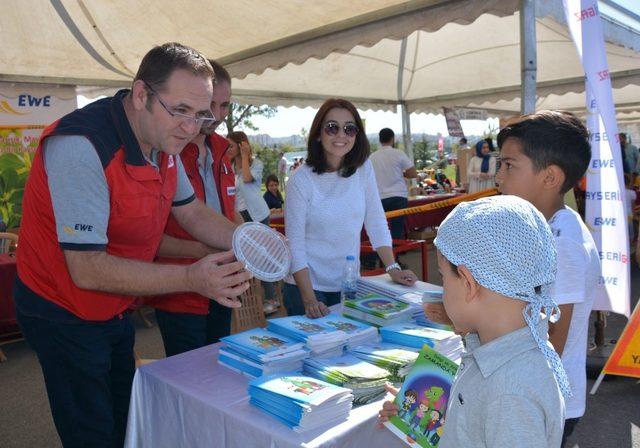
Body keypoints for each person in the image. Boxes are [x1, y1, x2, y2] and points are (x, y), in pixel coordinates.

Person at [13, 43, 252, 447]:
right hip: (62, 308)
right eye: (180, 110)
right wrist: (192, 278)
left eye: (200, 115)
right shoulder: (82, 145)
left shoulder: (164, 141)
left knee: (127, 415)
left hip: (115, 304)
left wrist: (250, 240)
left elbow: (191, 212)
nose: (191, 128)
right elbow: (87, 268)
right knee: (91, 428)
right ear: (141, 95)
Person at [425, 110, 599, 447]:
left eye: (509, 165)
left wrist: (461, 315)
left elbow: (550, 338)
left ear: (550, 177)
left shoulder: (563, 243)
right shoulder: (543, 233)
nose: (498, 177)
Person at [380, 195, 568, 447]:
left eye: (442, 278)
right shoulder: (498, 349)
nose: (442, 289)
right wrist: (422, 418)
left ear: (468, 284)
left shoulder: (510, 393)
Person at [283, 98, 417, 318]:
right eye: (332, 128)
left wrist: (392, 268)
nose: (341, 136)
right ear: (318, 133)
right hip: (306, 288)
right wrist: (309, 300)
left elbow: (375, 220)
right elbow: (295, 245)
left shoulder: (363, 168)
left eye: (349, 129)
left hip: (348, 284)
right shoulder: (300, 180)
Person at [146, 60, 238, 357]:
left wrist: (253, 239)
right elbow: (151, 237)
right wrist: (204, 252)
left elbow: (227, 212)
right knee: (189, 378)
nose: (217, 115)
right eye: (210, 105)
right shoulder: (167, 152)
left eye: (224, 105)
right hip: (180, 292)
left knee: (218, 368)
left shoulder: (223, 151)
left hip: (222, 283)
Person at [228, 131, 279, 314]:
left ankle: (271, 298)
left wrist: (244, 156)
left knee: (262, 256)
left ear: (242, 145)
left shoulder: (256, 164)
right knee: (243, 257)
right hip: (239, 215)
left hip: (257, 214)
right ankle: (247, 300)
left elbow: (248, 180)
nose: (228, 149)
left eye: (232, 146)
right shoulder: (228, 165)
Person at [369, 127, 417, 240]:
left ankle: (382, 255)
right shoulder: (398, 154)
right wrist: (401, 174)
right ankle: (395, 255)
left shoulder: (372, 157)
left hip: (379, 197)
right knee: (397, 229)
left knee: (380, 229)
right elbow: (413, 173)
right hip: (398, 196)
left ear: (380, 140)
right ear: (392, 139)